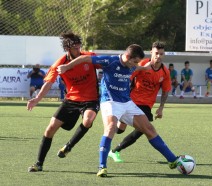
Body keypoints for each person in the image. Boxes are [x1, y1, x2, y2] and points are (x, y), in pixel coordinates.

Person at [57, 44, 179, 177]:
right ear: (127, 56)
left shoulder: (133, 65)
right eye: (134, 61)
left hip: (127, 102)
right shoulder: (109, 60)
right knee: (110, 128)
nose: (135, 65)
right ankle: (102, 167)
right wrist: (66, 67)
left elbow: (137, 67)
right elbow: (84, 59)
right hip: (110, 101)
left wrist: (143, 67)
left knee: (149, 129)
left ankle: (172, 160)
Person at [27, 32, 100, 172]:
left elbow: (106, 65)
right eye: (75, 48)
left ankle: (68, 147)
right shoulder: (59, 64)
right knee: (50, 128)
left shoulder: (89, 57)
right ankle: (38, 163)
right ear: (68, 49)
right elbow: (48, 83)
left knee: (88, 120)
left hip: (91, 99)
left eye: (79, 47)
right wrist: (37, 99)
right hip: (71, 100)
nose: (79, 51)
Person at [108, 41, 171, 163]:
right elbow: (127, 77)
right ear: (151, 52)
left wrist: (161, 107)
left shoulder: (165, 72)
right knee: (120, 130)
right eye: (156, 53)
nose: (158, 56)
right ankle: (110, 134)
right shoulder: (141, 64)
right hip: (131, 101)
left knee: (142, 130)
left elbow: (165, 91)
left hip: (146, 105)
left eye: (161, 54)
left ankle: (115, 151)